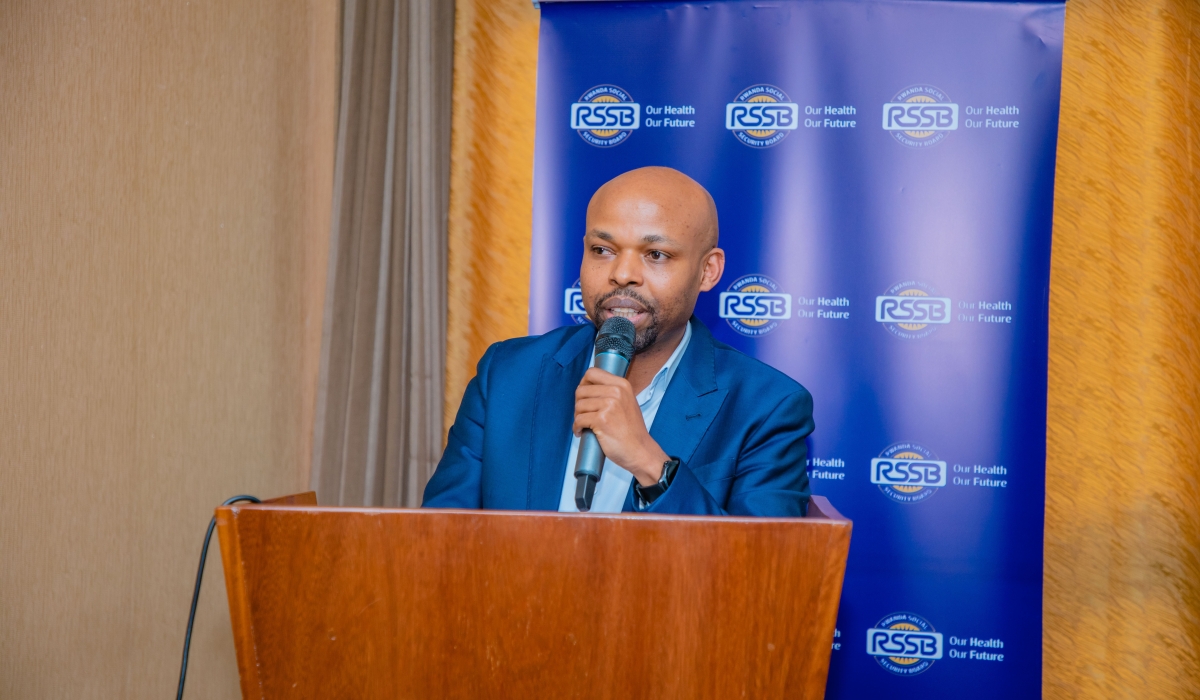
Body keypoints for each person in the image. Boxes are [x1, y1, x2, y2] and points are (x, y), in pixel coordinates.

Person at [422, 166, 814, 515]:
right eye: (602, 250)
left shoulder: (767, 407)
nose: (623, 274)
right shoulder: (507, 375)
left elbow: (759, 568)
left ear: (708, 271)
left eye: (656, 254)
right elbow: (439, 541)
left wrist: (650, 464)